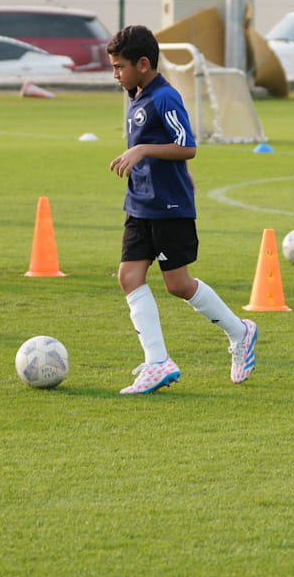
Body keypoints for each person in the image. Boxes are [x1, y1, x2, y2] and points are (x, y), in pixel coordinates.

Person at [108, 24, 258, 395]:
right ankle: (158, 361)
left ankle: (240, 332)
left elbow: (186, 145)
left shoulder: (165, 97)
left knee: (177, 284)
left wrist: (142, 150)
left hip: (168, 207)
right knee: (129, 277)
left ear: (143, 64)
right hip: (139, 203)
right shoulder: (136, 93)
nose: (115, 75)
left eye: (119, 67)